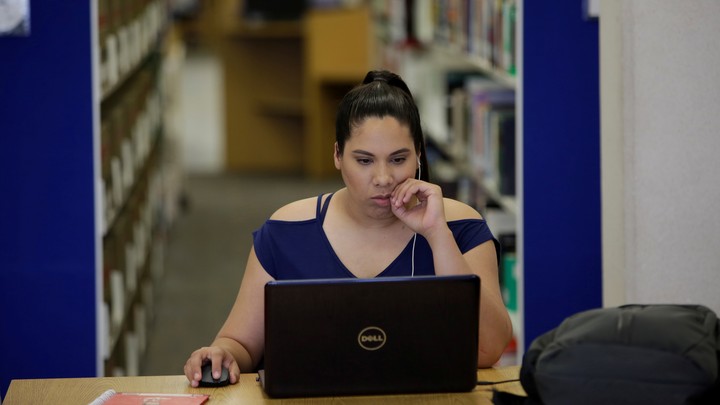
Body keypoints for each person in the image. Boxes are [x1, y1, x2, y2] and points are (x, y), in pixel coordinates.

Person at [184, 70, 513, 387]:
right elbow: (240, 342)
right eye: (365, 160)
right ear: (338, 155)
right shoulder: (286, 232)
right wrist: (221, 353)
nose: (383, 178)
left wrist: (438, 235)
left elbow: (489, 349)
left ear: (418, 157)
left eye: (398, 159)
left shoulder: (460, 227)